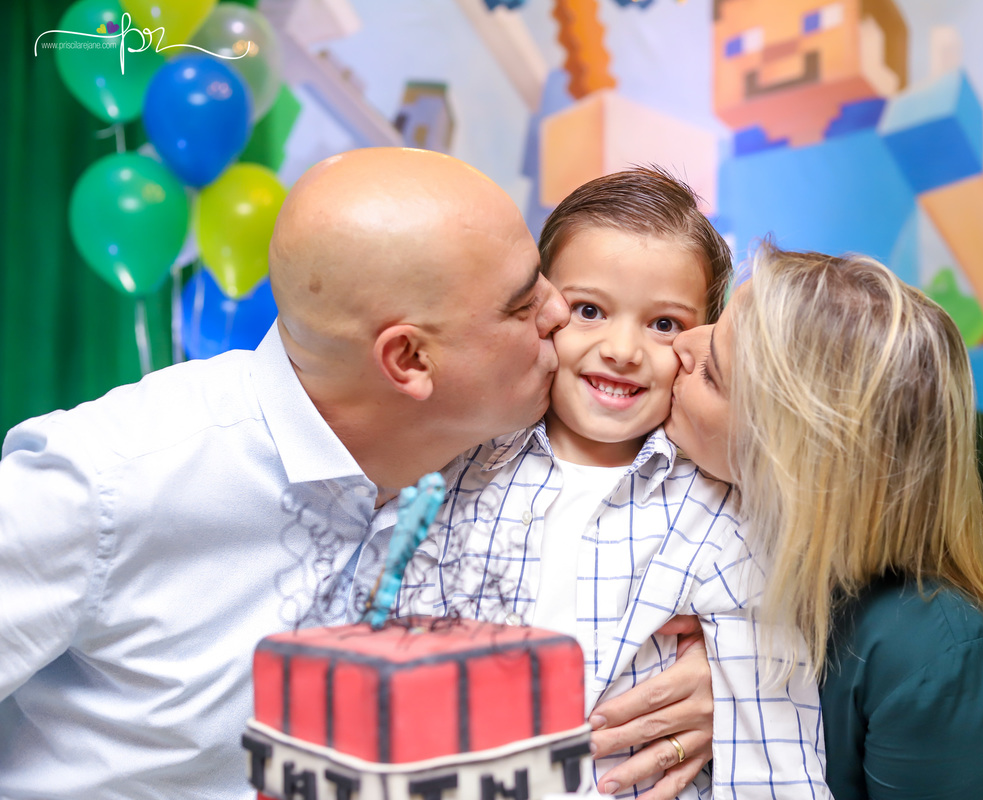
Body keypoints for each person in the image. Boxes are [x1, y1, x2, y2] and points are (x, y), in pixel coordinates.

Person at [0, 149, 713, 800]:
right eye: (526, 303)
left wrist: (724, 670)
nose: (561, 317)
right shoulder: (108, 481)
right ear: (409, 363)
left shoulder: (488, 445)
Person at [401, 169, 828, 800]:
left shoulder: (722, 512)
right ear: (540, 308)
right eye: (589, 311)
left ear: (701, 342)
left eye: (663, 324)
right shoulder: (458, 463)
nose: (622, 349)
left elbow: (774, 750)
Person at [667, 243, 983, 799]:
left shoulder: (948, 648)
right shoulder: (724, 519)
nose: (679, 344)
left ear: (791, 462)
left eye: (712, 373)